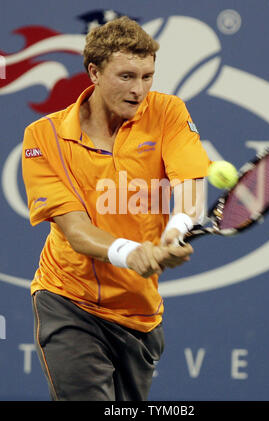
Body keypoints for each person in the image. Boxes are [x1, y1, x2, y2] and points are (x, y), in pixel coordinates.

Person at [22, 16, 210, 401]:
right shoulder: (44, 137)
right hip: (69, 301)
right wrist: (132, 253)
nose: (139, 89)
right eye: (126, 76)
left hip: (139, 312)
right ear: (93, 71)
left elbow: (190, 190)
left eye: (147, 76)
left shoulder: (169, 112)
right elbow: (75, 230)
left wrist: (173, 233)